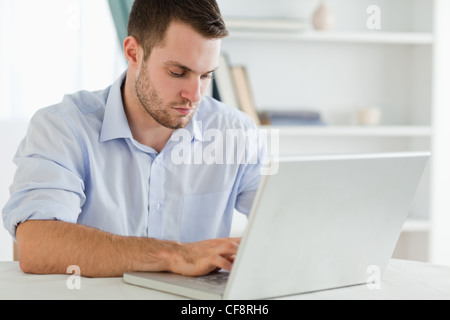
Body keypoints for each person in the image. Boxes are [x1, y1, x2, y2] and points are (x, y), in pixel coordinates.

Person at [2, 0, 267, 278]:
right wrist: (176, 254)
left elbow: (287, 222)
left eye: (205, 75)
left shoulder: (235, 134)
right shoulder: (63, 128)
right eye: (178, 72)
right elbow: (37, 246)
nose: (195, 95)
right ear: (133, 52)